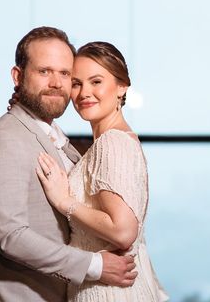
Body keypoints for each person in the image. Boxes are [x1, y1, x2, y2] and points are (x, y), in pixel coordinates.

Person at [0, 27, 137, 302]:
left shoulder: (58, 140)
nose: (57, 83)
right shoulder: (2, 139)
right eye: (44, 71)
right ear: (18, 76)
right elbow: (11, 236)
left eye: (65, 74)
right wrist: (95, 266)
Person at [35, 41, 168, 301]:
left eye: (96, 82)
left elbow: (123, 231)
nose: (85, 92)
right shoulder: (115, 140)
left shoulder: (112, 143)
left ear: (122, 87)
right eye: (76, 83)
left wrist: (64, 202)